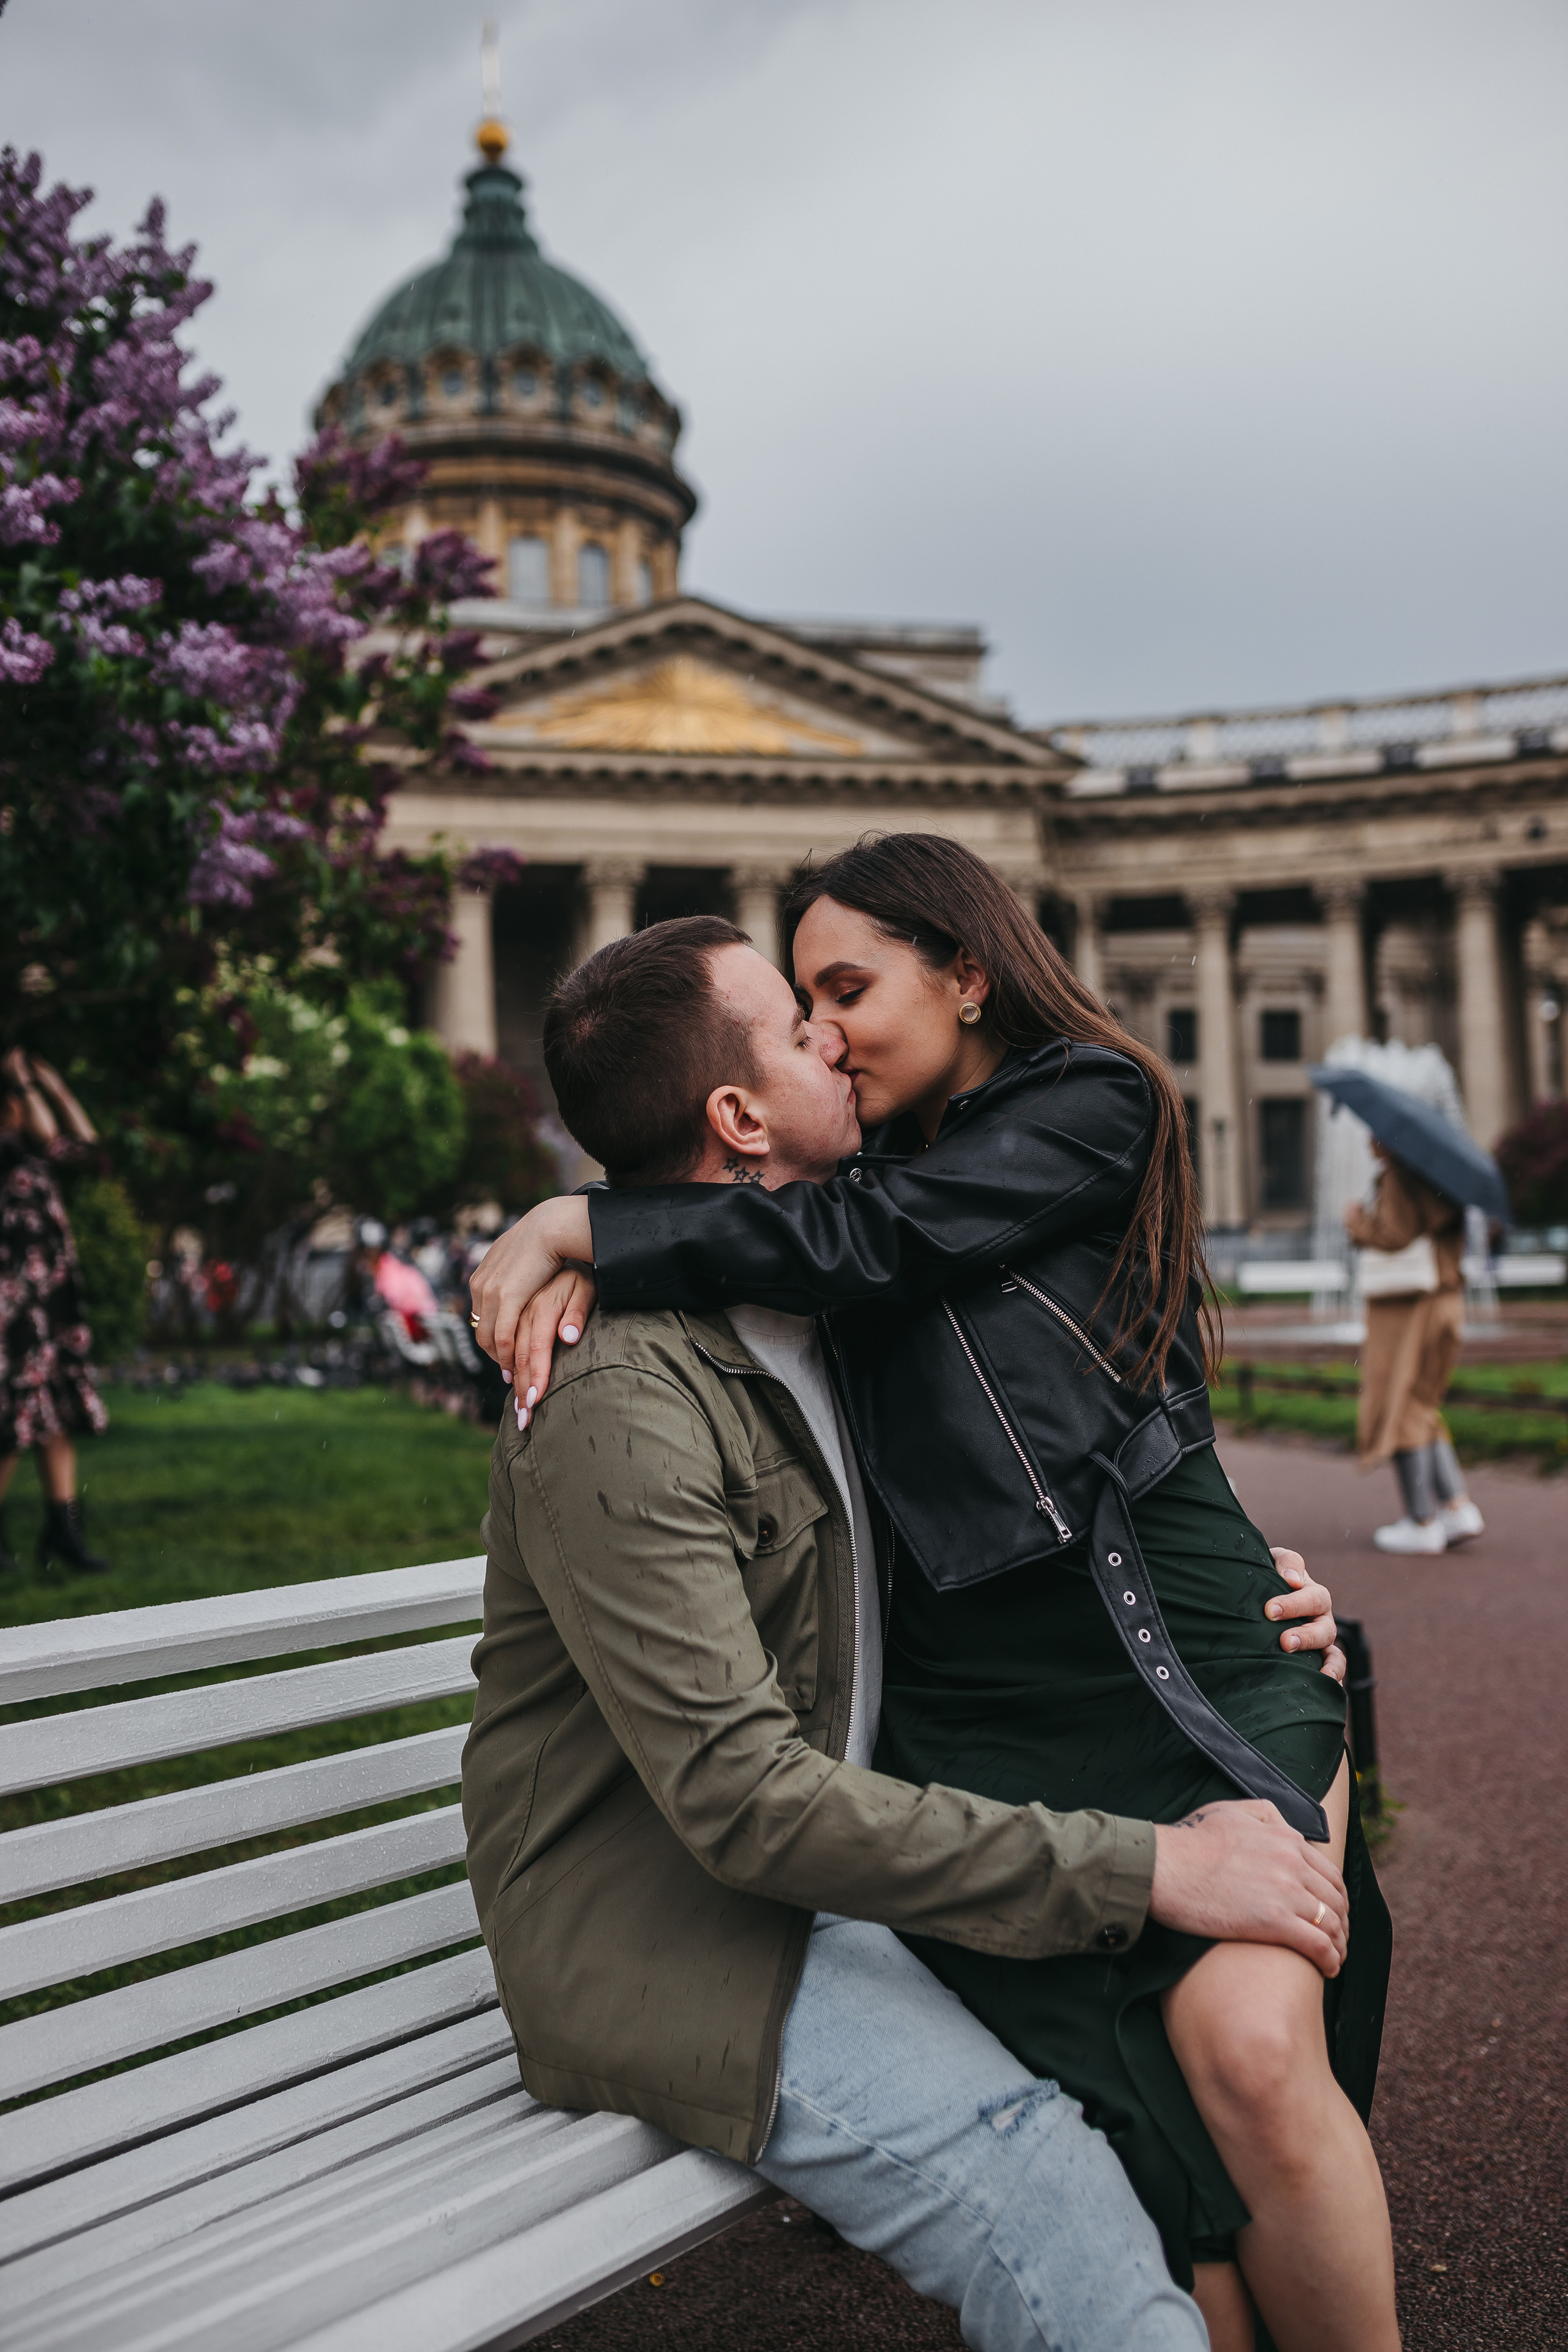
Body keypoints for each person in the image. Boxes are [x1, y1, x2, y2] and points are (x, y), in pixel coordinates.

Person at [476, 845, 1401, 2352]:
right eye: (801, 1014)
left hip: (1119, 1681)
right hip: (915, 1784)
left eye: (844, 992)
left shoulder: (1054, 1116)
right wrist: (610, 1225)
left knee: (1233, 2054)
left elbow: (886, 1257)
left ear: (966, 972)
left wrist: (580, 1222)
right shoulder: (732, 1297)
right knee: (1145, 2174)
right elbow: (743, 1778)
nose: (829, 1034)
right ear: (736, 1110)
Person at [0, 1049, 113, 1577]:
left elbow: (86, 1144)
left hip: (45, 1306)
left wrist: (58, 1088)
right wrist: (26, 1083)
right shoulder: (9, 1157)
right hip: (12, 1313)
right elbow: (48, 1136)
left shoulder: (31, 1157)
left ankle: (62, 1530)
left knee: (53, 1416)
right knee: (12, 1424)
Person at [1347, 1139, 1483, 1556]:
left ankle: (1422, 1520)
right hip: (1446, 1299)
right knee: (1422, 1402)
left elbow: (1394, 1234)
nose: (1369, 1141)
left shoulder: (1398, 1177)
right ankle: (1457, 1506)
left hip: (1409, 1307)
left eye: (1375, 1134)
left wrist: (1356, 1222)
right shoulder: (1443, 1179)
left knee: (1400, 1402)